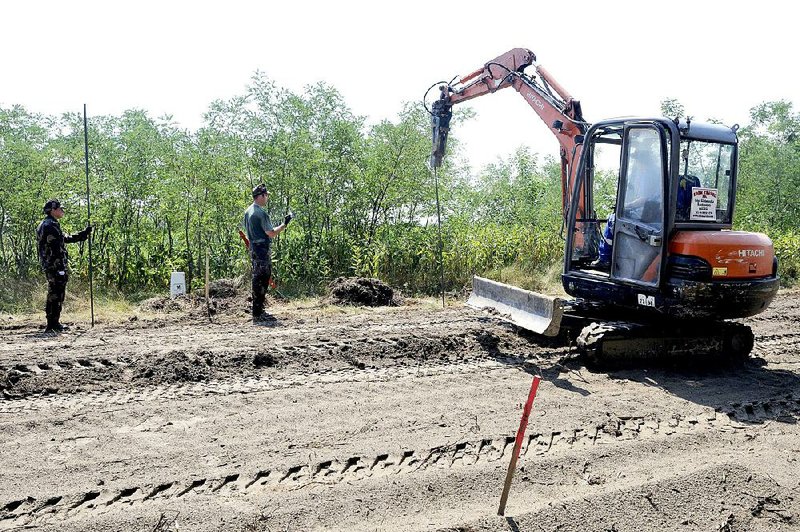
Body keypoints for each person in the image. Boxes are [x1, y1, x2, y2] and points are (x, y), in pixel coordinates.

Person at [36, 199, 92, 333]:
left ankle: (53, 322)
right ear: (52, 210)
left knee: (55, 292)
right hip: (55, 265)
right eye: (60, 208)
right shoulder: (49, 225)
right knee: (56, 293)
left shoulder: (50, 224)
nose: (62, 211)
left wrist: (82, 235)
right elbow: (55, 247)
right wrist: (60, 267)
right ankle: (52, 324)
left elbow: (64, 238)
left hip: (53, 265)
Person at [242, 184, 292, 323]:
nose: (267, 198)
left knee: (257, 278)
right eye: (266, 195)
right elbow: (271, 233)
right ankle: (258, 313)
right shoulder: (261, 213)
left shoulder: (248, 211)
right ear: (262, 195)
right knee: (262, 279)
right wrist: (284, 224)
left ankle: (258, 311)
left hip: (253, 248)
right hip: (262, 249)